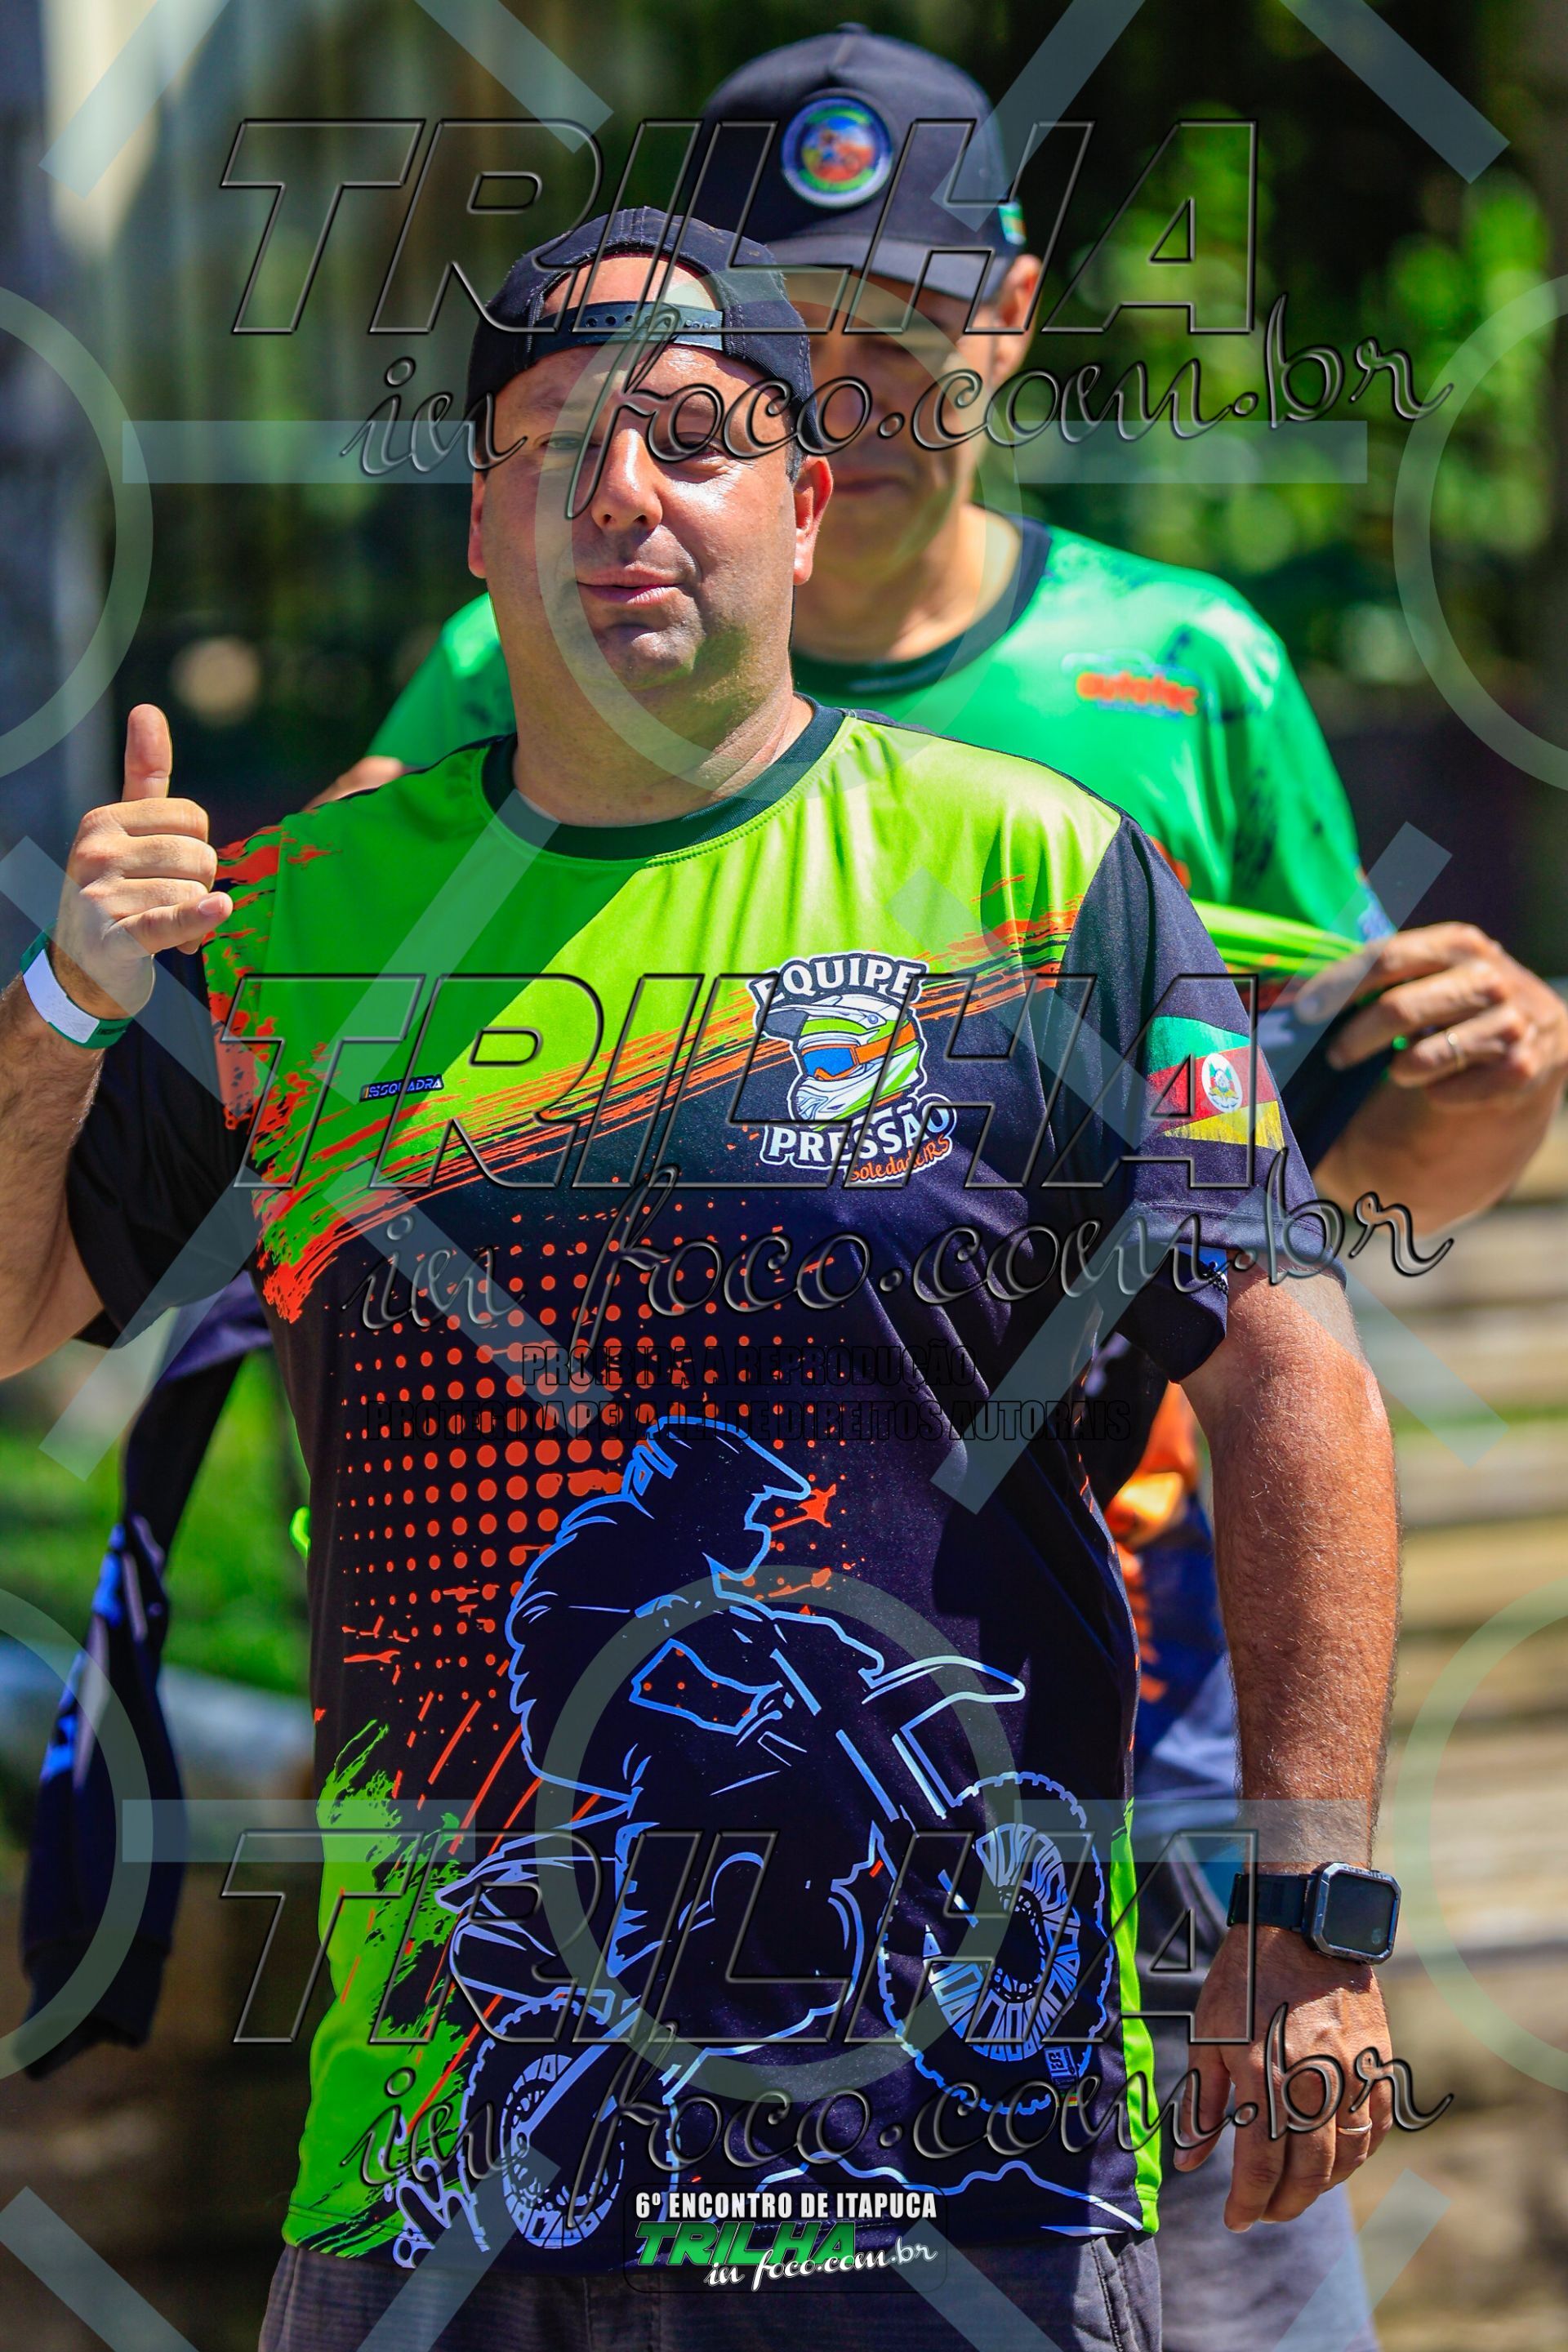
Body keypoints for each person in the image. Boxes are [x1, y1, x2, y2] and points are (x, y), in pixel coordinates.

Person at [0, 207, 1402, 2352]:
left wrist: (1314, 1914)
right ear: (482, 526)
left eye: (694, 437)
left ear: (804, 503)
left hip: (960, 2194)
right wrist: (62, 1010)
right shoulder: (295, 933)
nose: (623, 495)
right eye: (556, 448)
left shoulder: (1041, 877)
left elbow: (1293, 1382)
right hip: (438, 2179)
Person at [318, 29, 1568, 2350]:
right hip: (743, 1678)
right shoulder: (522, 646)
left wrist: (1487, 1102)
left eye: (909, 321)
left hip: (1156, 1660)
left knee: (1204, 2273)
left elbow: (1328, 1206)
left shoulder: (1181, 676)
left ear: (1009, 316)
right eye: (804, 328)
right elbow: (360, 1079)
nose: (863, 380)